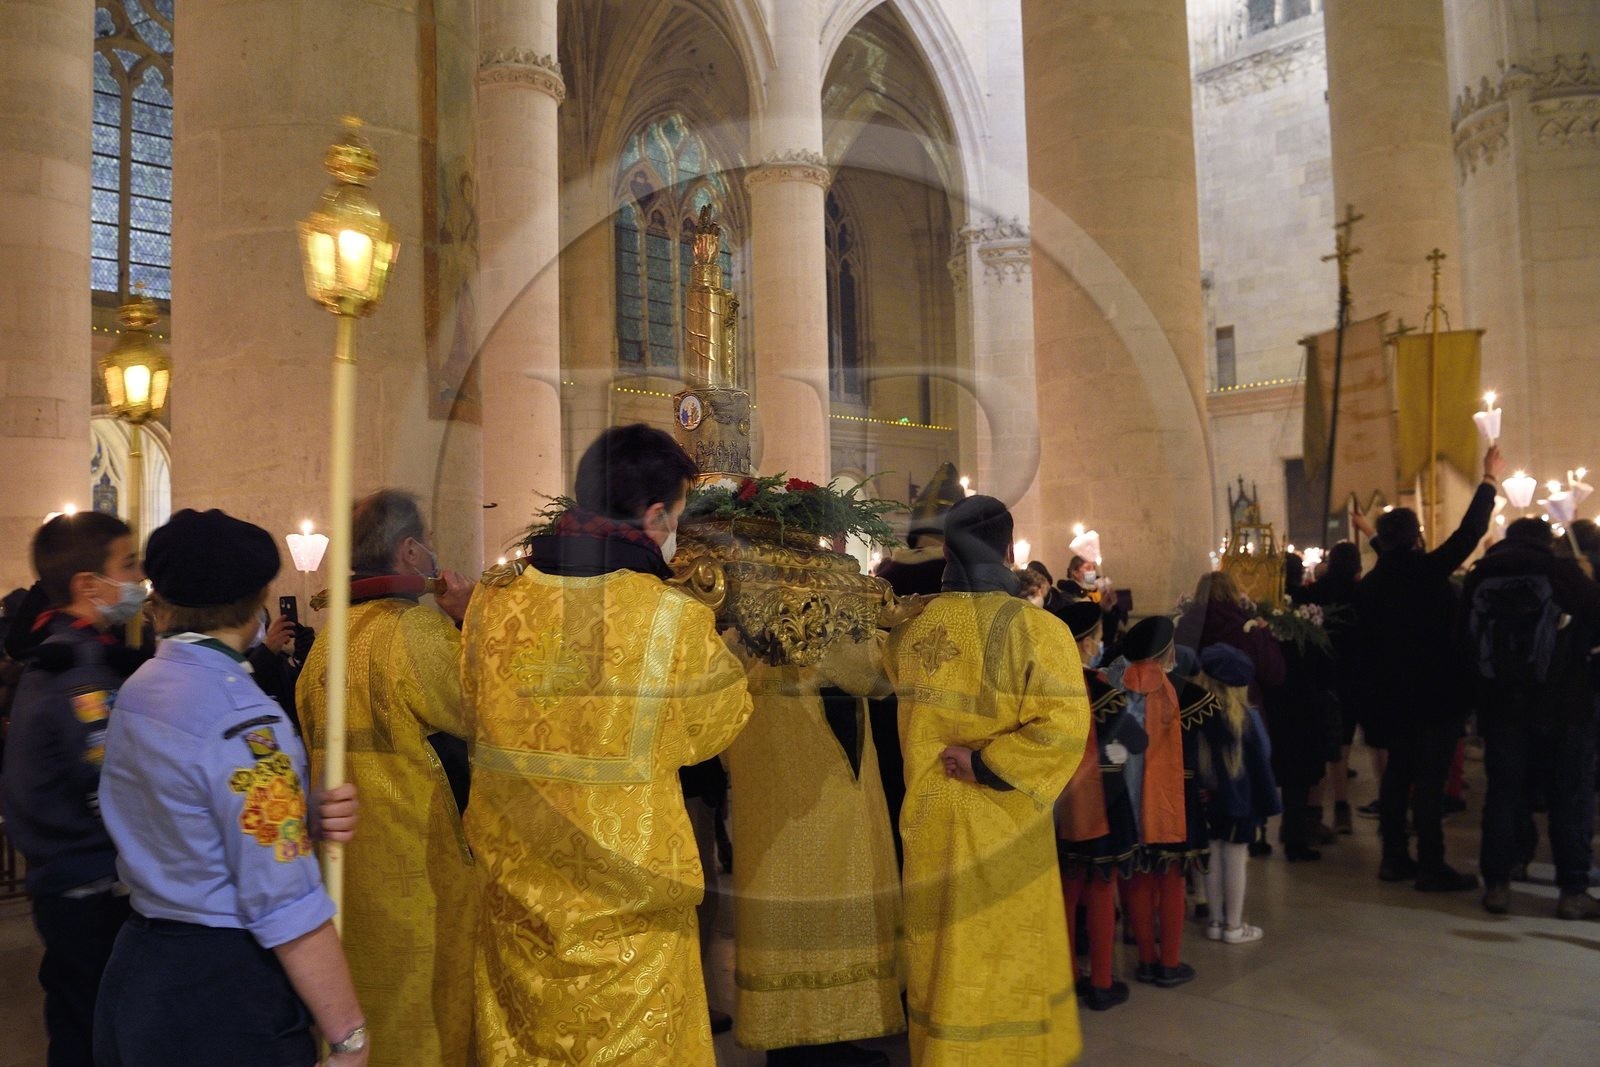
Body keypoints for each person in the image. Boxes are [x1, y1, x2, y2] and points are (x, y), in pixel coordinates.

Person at [460, 424, 754, 1065]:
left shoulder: (492, 599)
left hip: (519, 902)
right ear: (655, 515)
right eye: (675, 517)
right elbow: (717, 723)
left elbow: (471, 705)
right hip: (632, 919)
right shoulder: (668, 615)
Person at [92, 509, 365, 1065]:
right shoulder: (244, 722)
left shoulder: (142, 685)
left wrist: (299, 813)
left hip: (138, 967)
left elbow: (187, 816)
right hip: (219, 993)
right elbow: (286, 901)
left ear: (162, 601)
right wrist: (348, 1036)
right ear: (256, 603)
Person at [887, 494, 1089, 1065]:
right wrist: (985, 763)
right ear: (1007, 549)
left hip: (930, 822)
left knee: (942, 957)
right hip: (1004, 826)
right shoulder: (1040, 631)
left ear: (947, 549)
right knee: (1003, 954)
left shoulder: (914, 630)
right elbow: (1063, 729)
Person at [296, 488, 477, 1066]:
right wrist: (468, 618)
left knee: (362, 1010)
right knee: (423, 1014)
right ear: (408, 551)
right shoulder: (416, 634)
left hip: (345, 871)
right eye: (426, 547)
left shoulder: (325, 645)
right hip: (420, 870)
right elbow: (490, 708)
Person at [1, 513, 144, 1066]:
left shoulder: (63, 651)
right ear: (88, 585)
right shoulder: (81, 673)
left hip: (66, 881)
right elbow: (107, 782)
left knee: (73, 1013)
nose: (139, 578)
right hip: (85, 882)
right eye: (128, 564)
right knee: (92, 1029)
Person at [726, 634, 904, 1065]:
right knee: (829, 910)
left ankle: (800, 1040)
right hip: (822, 804)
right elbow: (879, 681)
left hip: (768, 806)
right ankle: (823, 1043)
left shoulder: (736, 635)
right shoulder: (824, 632)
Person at [1358, 445, 1503, 891]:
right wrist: (1488, 479)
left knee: (1398, 776)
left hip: (1393, 696)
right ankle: (1432, 865)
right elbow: (1471, 530)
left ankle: (1394, 858)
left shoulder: (1372, 585)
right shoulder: (1427, 569)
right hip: (1436, 694)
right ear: (1418, 536)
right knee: (1432, 779)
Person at [1463, 517, 1600, 918]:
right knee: (1566, 798)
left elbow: (1463, 643)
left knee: (1503, 794)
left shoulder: (1480, 575)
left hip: (1501, 709)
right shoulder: (1561, 573)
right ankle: (1572, 892)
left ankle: (1499, 887)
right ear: (1547, 542)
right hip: (1562, 707)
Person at [1053, 601, 1140, 1012]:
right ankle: (1102, 982)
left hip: (1060, 805)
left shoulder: (1047, 684)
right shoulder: (1101, 687)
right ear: (1087, 641)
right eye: (1099, 636)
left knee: (1068, 890)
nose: (1100, 643)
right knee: (1102, 889)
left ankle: (1067, 974)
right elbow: (1135, 741)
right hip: (1103, 803)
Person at [1106, 616, 1196, 988]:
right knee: (1171, 878)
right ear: (1166, 652)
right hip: (1164, 801)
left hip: (1125, 799)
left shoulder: (1112, 683)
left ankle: (1144, 959)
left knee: (1136, 878)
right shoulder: (1172, 688)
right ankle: (1169, 962)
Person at [1194, 644, 1279, 944]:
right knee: (1235, 858)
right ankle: (1233, 925)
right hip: (1238, 801)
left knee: (1212, 856)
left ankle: (1215, 921)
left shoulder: (1196, 715)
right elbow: (1262, 756)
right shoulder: (1243, 718)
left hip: (1205, 799)